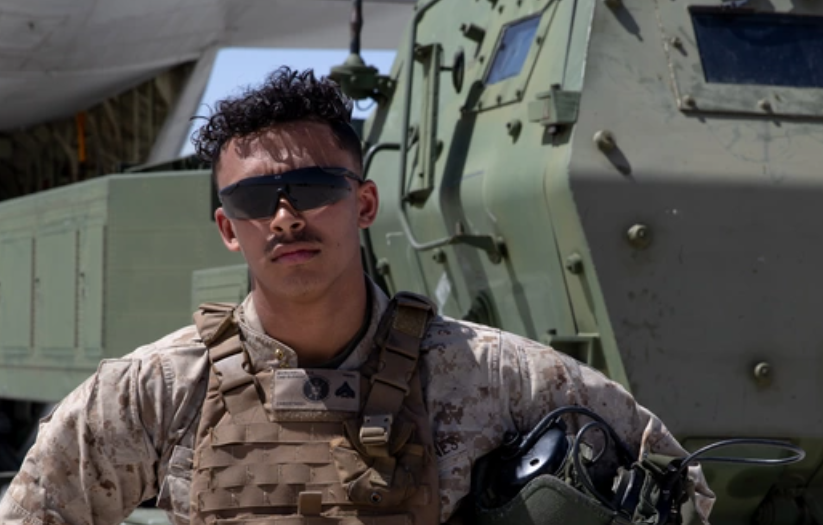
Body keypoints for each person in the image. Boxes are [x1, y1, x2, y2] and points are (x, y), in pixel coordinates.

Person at [0, 67, 714, 525]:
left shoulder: (493, 375)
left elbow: (680, 490)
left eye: (312, 189)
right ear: (227, 227)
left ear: (364, 202)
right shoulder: (154, 391)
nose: (285, 216)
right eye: (254, 199)